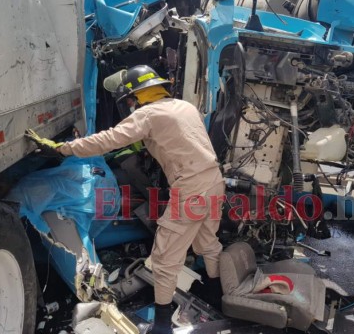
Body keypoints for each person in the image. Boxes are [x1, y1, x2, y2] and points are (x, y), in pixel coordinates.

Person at [27, 65, 225, 334]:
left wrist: (63, 149)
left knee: (165, 260)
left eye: (131, 100)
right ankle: (216, 294)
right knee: (207, 242)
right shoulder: (183, 106)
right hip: (214, 182)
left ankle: (163, 326)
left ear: (139, 94)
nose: (131, 106)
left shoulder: (149, 114)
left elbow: (109, 140)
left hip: (191, 190)